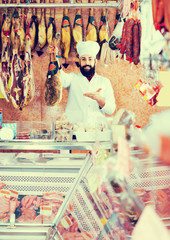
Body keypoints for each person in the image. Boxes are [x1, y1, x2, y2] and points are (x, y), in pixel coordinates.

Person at [60, 41, 116, 124]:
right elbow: (60, 78)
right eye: (83, 59)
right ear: (79, 62)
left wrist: (100, 99)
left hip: (96, 131)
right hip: (75, 131)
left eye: (90, 59)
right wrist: (54, 58)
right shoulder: (72, 78)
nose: (87, 63)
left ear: (95, 62)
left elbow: (111, 110)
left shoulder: (104, 82)